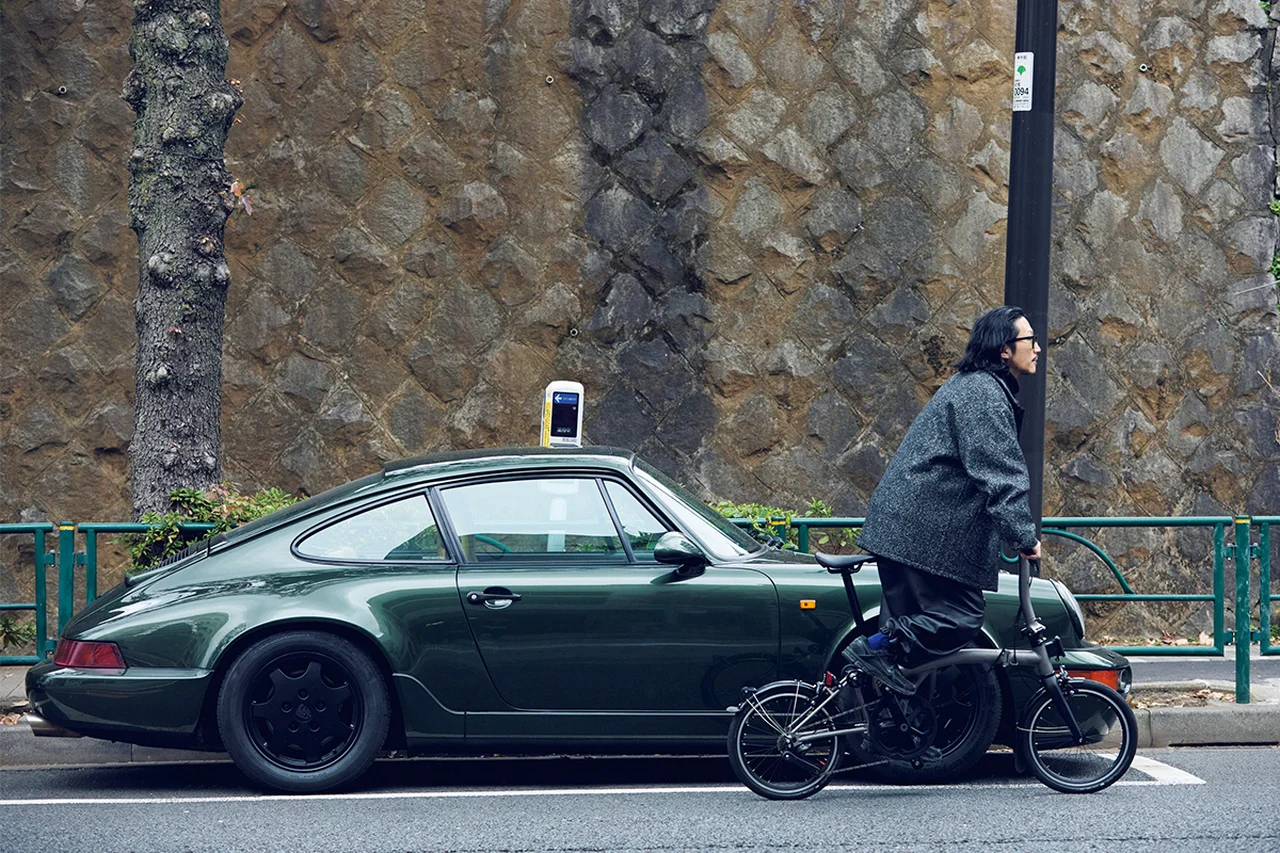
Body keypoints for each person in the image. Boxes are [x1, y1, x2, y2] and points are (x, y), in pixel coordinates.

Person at [843, 305, 1042, 694]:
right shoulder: (982, 395)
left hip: (910, 531)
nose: (1037, 349)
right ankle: (870, 649)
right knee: (961, 618)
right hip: (922, 535)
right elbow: (1001, 473)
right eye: (1030, 340)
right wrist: (1024, 536)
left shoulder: (974, 386)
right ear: (1005, 349)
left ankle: (892, 731)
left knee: (916, 655)